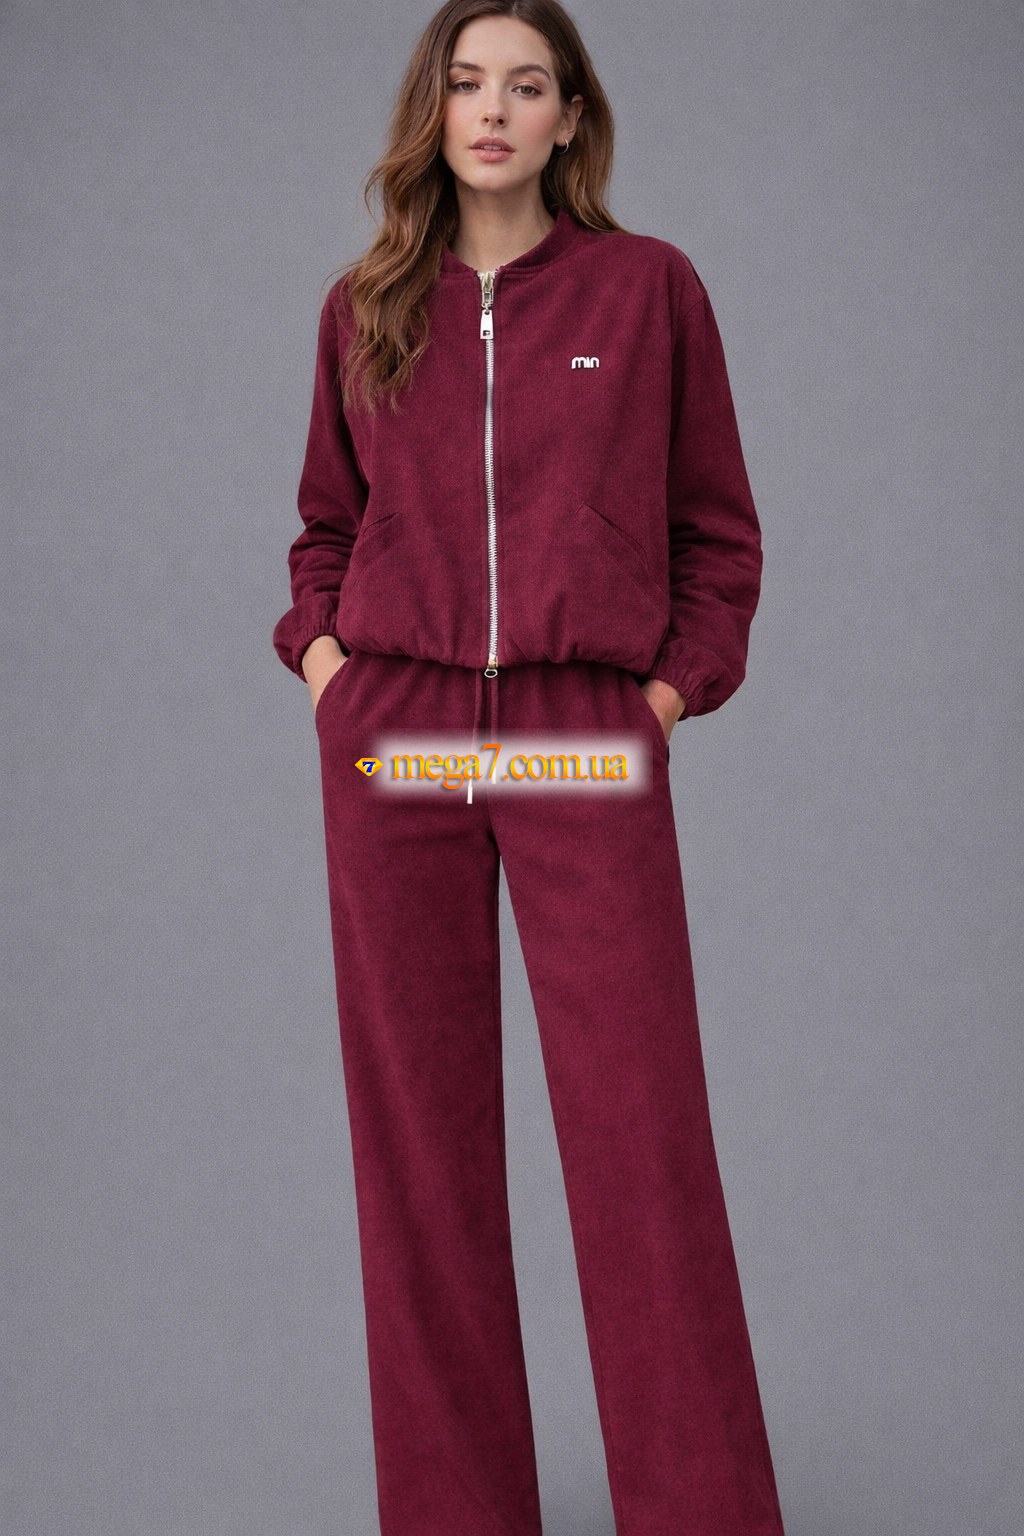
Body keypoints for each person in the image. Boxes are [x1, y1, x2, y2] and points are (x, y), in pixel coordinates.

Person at [272, 3, 786, 1533]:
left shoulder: (647, 291)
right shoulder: (367, 305)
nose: (492, 109)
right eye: (467, 82)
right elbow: (324, 526)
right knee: (419, 1159)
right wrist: (328, 670)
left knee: (640, 1142)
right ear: (434, 110)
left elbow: (717, 533)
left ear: (571, 116)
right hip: (401, 742)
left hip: (579, 740)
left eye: (527, 84)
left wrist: (667, 696)